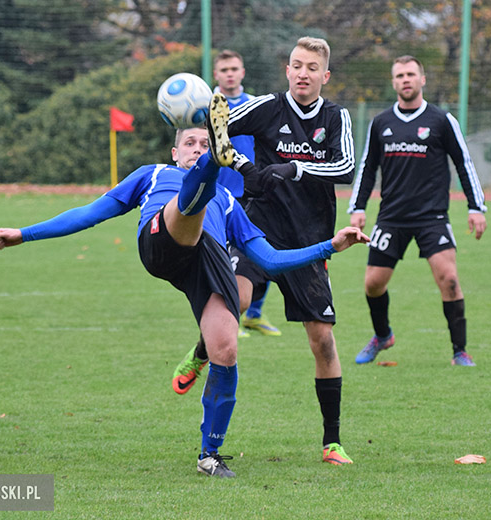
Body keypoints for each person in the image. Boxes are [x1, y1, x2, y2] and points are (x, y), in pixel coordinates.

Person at [0, 93, 368, 478]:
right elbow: (90, 213)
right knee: (190, 202)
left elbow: (270, 260)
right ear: (175, 152)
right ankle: (212, 167)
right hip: (162, 239)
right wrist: (25, 234)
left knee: (225, 349)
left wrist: (329, 246)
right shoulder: (153, 175)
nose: (196, 147)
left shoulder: (230, 204)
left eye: (206, 143)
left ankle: (209, 454)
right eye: (192, 143)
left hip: (205, 262)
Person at [173, 37, 358, 466]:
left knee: (323, 341)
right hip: (256, 229)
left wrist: (294, 167)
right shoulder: (268, 107)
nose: (302, 73)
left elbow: (345, 167)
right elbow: (219, 135)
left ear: (324, 75)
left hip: (309, 240)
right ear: (287, 70)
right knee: (232, 302)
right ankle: (201, 353)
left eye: (312, 67)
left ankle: (331, 442)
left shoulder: (335, 116)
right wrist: (243, 167)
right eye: (296, 65)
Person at [347, 55, 487, 367]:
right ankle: (383, 336)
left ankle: (459, 351)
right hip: (391, 217)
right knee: (372, 284)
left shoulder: (441, 120)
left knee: (449, 279)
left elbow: (463, 164)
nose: (405, 80)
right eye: (399, 75)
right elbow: (368, 167)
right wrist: (358, 207)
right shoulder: (381, 122)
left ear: (422, 79)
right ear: (393, 82)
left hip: (431, 217)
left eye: (411, 74)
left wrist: (476, 207)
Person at [213, 49, 280, 337]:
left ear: (242, 72)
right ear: (216, 74)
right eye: (224, 69)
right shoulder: (205, 106)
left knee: (261, 253)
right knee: (224, 257)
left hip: (252, 193)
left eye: (234, 68)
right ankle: (231, 315)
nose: (230, 73)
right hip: (217, 192)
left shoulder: (256, 105)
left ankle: (253, 314)